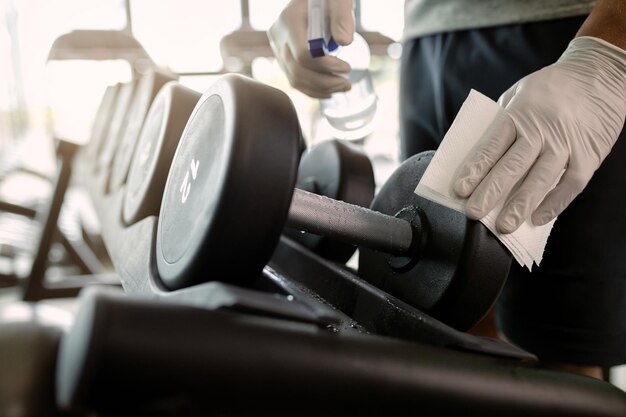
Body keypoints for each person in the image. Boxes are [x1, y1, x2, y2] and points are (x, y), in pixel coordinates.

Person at [268, 0, 626, 379]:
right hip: (425, 42)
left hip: (567, 37)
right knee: (444, 329)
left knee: (565, 361)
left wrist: (610, 50)